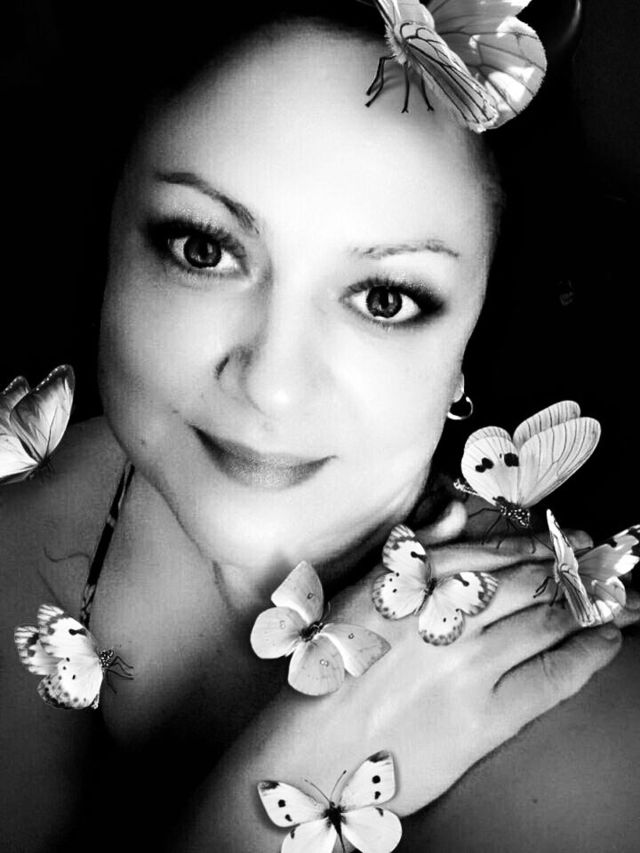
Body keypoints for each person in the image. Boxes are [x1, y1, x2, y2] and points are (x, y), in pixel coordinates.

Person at [1, 3, 639, 851]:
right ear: (108, 235)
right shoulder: (38, 512)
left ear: (473, 336)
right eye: (203, 249)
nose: (272, 384)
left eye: (385, 298)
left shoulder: (590, 761)